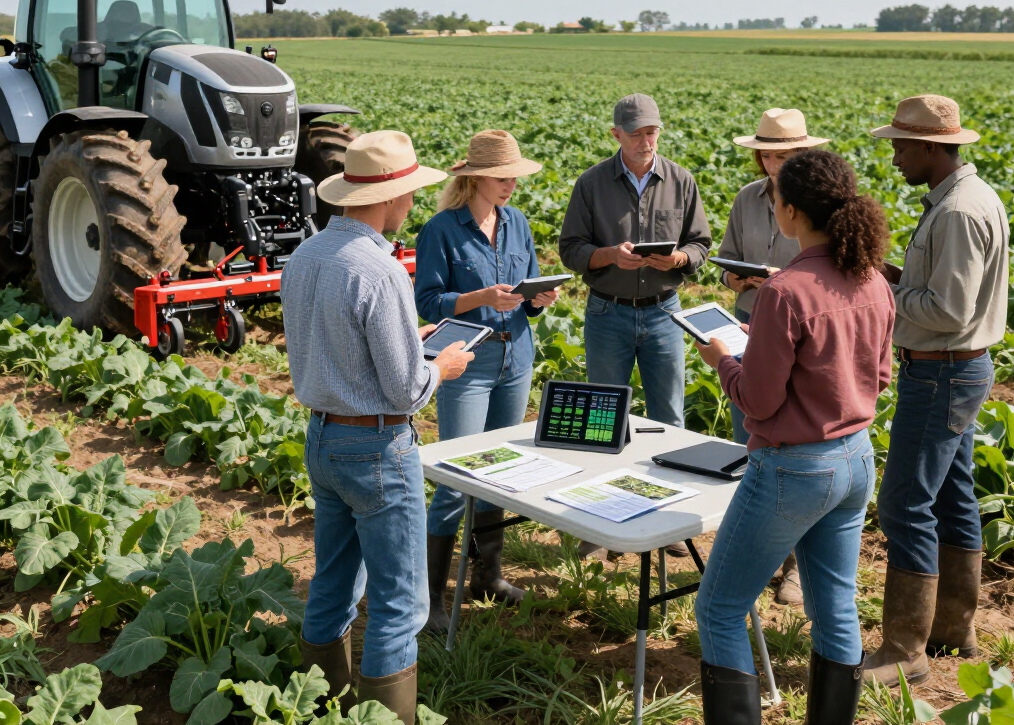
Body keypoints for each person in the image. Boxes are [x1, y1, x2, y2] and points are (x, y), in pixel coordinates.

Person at [692, 150, 894, 725]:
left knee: (720, 608)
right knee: (835, 607)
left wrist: (724, 359)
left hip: (793, 469)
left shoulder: (785, 291)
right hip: (855, 459)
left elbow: (758, 400)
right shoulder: (873, 279)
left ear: (790, 211)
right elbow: (879, 377)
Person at [281, 130, 474, 725]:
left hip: (323, 439)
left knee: (333, 583)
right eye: (409, 194)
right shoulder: (380, 269)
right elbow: (405, 391)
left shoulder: (306, 255)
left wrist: (405, 343)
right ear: (389, 198)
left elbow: (333, 345)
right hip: (377, 446)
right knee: (400, 602)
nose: (412, 204)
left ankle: (324, 707)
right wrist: (440, 365)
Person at [864, 95, 1008, 688]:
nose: (894, 156)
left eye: (900, 144)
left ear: (929, 147)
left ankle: (905, 650)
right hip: (957, 367)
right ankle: (953, 628)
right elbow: (946, 293)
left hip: (943, 368)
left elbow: (948, 311)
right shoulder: (967, 198)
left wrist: (878, 300)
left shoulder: (956, 211)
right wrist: (900, 279)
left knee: (903, 502)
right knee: (952, 496)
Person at [414, 130, 560, 632]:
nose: (512, 185)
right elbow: (428, 304)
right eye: (503, 177)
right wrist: (480, 298)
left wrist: (538, 301)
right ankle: (429, 601)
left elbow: (526, 290)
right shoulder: (440, 230)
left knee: (498, 470)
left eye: (515, 176)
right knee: (456, 480)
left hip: (516, 358)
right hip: (467, 365)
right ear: (475, 178)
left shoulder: (517, 223)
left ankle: (487, 577)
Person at [719, 107, 829, 606]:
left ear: (802, 154)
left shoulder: (818, 203)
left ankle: (798, 570)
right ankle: (768, 559)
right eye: (766, 154)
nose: (772, 162)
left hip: (801, 335)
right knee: (755, 445)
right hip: (750, 322)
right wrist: (739, 278)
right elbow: (725, 260)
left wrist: (781, 284)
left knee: (796, 455)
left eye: (783, 154)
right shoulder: (746, 199)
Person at [558, 93, 711, 428]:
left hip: (664, 313)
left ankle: (669, 479)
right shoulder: (591, 183)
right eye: (636, 133)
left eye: (651, 132)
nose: (646, 141)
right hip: (607, 313)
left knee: (670, 415)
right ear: (616, 134)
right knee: (603, 418)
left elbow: (700, 245)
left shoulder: (681, 181)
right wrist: (607, 256)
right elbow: (570, 249)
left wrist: (678, 259)